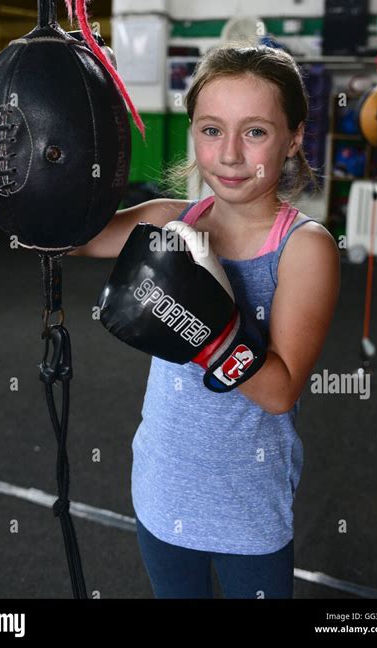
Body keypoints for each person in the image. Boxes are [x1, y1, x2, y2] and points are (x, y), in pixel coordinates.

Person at [70, 45, 341, 599]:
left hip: (247, 505)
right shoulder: (171, 220)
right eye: (212, 130)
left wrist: (208, 325)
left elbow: (280, 392)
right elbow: (70, 236)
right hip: (161, 486)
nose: (231, 155)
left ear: (293, 138)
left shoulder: (303, 248)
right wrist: (49, 160)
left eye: (256, 132)